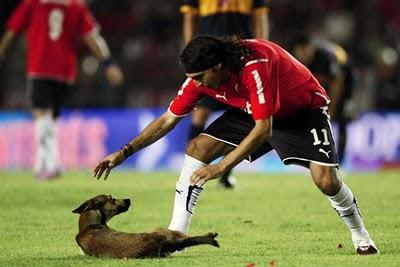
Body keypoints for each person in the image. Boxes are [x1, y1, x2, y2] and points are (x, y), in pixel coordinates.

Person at [93, 36, 378, 255]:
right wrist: (124, 152)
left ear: (218, 67)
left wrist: (223, 166)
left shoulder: (255, 65)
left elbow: (264, 129)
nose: (195, 84)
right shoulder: (202, 79)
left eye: (200, 77)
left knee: (326, 181)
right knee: (198, 148)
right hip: (255, 111)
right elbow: (168, 120)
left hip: (302, 112)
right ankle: (177, 232)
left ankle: (361, 235)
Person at [0, 0, 124, 180]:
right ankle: (44, 162)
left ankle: (49, 163)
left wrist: (2, 51)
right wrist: (108, 64)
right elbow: (92, 37)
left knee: (42, 114)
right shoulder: (76, 5)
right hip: (65, 70)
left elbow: (12, 30)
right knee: (52, 118)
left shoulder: (32, 3)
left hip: (39, 67)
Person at [180, 0, 269, 188]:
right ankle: (189, 169)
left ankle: (226, 172)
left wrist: (261, 47)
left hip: (238, 61)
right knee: (200, 114)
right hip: (208, 61)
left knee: (241, 119)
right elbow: (189, 17)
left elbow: (260, 17)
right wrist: (191, 53)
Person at [292, 35, 356, 164]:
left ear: (309, 48)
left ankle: (341, 161)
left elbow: (337, 83)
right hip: (325, 85)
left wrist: (331, 108)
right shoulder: (299, 59)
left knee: (342, 119)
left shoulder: (325, 57)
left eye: (304, 51)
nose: (302, 56)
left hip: (345, 82)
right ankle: (313, 156)